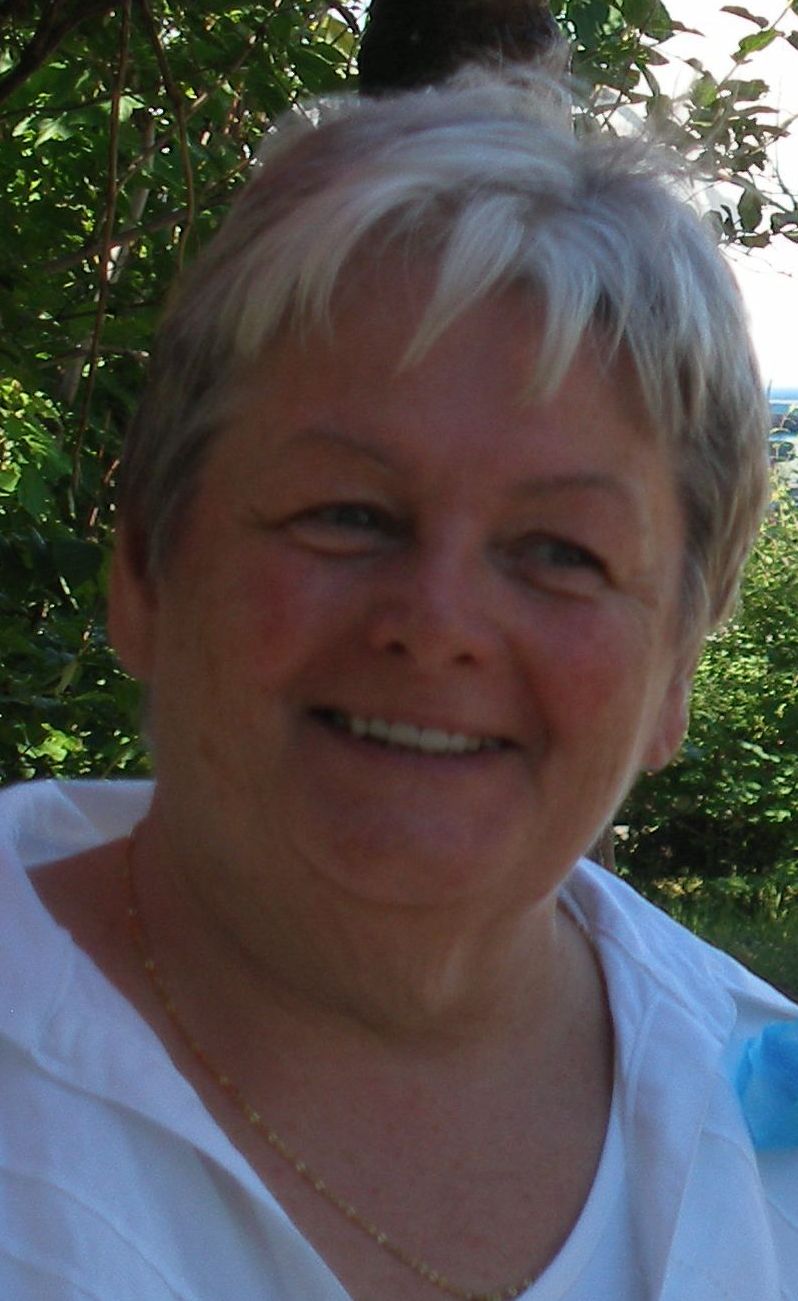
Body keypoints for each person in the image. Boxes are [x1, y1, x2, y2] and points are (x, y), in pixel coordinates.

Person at [1, 66, 796, 1301]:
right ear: (147, 567)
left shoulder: (769, 1146)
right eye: (346, 513)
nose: (437, 625)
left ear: (673, 672)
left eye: (561, 552)